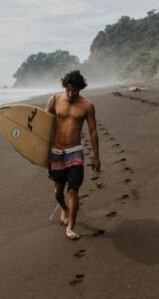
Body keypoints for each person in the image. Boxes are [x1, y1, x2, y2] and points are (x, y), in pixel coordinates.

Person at [45, 70, 101, 240]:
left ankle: (70, 227)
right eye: (68, 90)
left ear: (80, 89)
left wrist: (96, 156)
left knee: (73, 191)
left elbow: (92, 131)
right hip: (56, 152)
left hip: (75, 152)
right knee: (57, 192)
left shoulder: (87, 106)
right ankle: (65, 209)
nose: (70, 94)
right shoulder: (54, 100)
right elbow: (43, 124)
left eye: (74, 90)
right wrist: (40, 151)